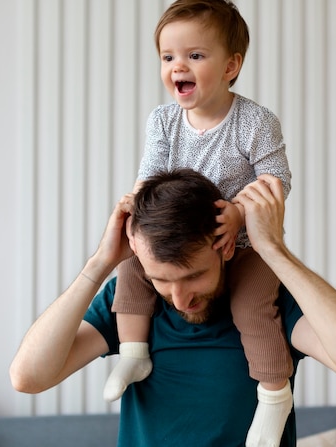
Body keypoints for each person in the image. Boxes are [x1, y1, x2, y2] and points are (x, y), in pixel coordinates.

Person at [10, 169, 336, 447]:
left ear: (222, 249)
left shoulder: (266, 301)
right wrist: (100, 263)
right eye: (161, 280)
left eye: (193, 276)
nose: (178, 298)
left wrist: (273, 250)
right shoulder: (131, 308)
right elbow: (28, 378)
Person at [108, 1, 294, 442]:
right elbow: (150, 174)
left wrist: (240, 211)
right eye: (168, 57)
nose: (178, 67)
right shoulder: (164, 120)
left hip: (243, 244)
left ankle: (273, 394)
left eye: (195, 55)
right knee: (132, 268)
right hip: (177, 244)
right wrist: (135, 209)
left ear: (231, 65)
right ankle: (134, 351)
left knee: (253, 310)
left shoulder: (254, 122)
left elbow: (277, 179)